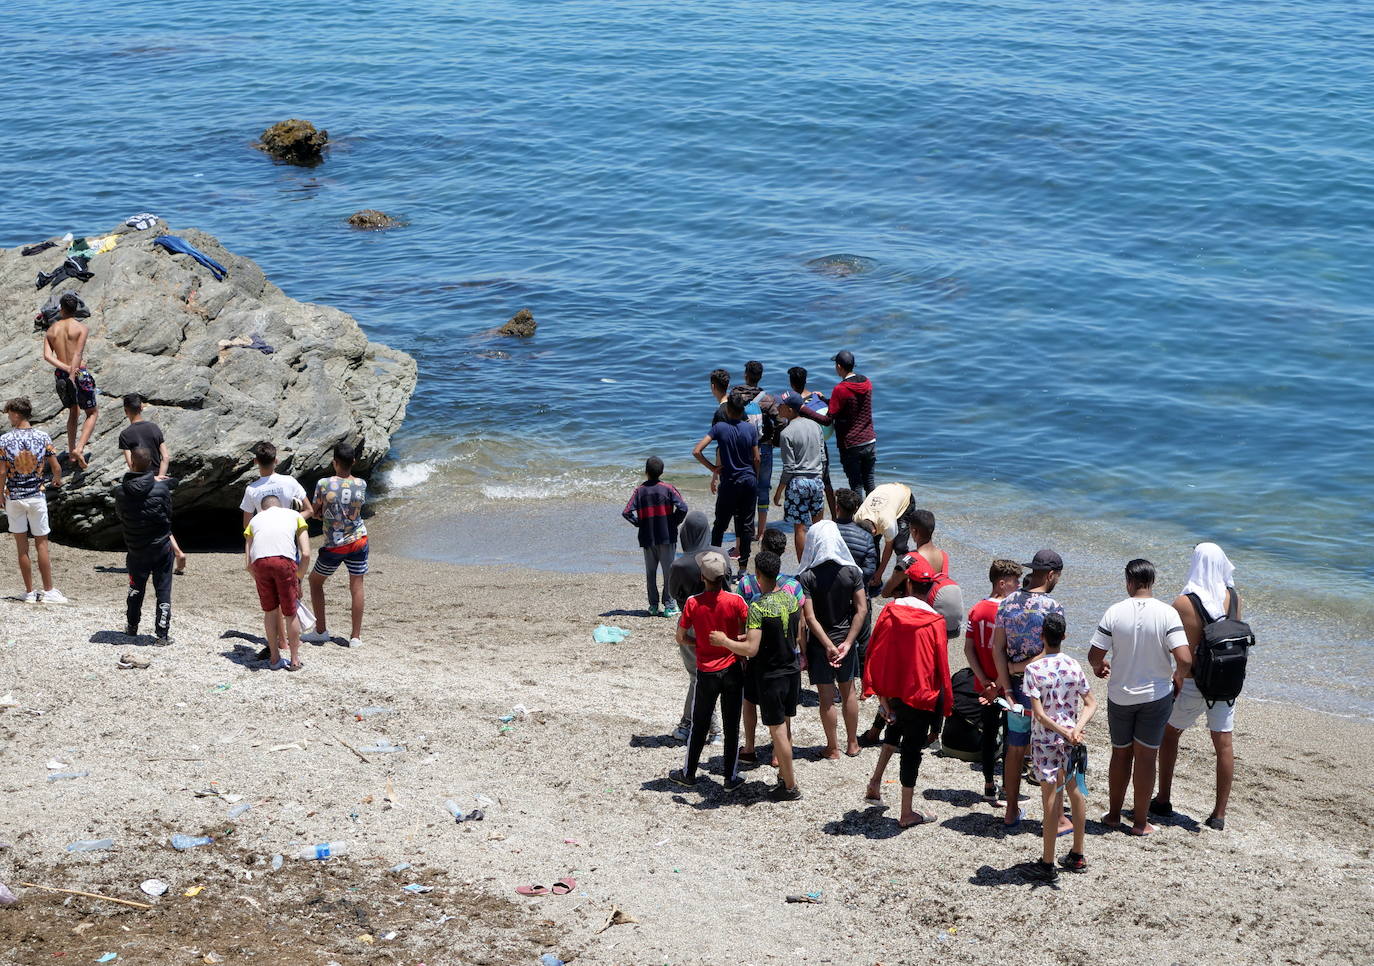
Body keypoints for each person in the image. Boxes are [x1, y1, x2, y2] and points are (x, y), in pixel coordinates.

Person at [1088, 558, 1191, 837]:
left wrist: (1100, 667)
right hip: (1156, 696)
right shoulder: (1168, 613)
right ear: (1152, 582)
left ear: (1129, 582)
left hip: (1120, 694)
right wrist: (1178, 678)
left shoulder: (1115, 611)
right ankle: (1140, 822)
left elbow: (1094, 656)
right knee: (1146, 757)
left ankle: (1112, 815)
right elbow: (1184, 658)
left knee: (1120, 754)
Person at [860, 555, 953, 827]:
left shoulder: (891, 610)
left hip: (895, 689)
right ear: (931, 590)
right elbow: (942, 669)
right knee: (912, 750)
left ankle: (875, 783)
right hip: (921, 694)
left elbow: (875, 652)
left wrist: (882, 697)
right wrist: (944, 708)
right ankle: (906, 812)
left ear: (909, 585)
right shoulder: (936, 622)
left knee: (893, 732)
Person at [1154, 543, 1241, 831]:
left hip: (1193, 682)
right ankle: (1219, 814)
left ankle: (1164, 799)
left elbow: (1179, 649)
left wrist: (1176, 679)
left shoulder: (1183, 603)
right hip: (1226, 683)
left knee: (1170, 734)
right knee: (1224, 744)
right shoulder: (1234, 598)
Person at [712, 550, 804, 802]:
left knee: (777, 731)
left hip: (771, 675)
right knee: (785, 726)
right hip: (791, 670)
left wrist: (726, 641)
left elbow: (751, 650)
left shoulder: (757, 607)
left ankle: (790, 786)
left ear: (758, 575)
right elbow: (793, 633)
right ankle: (784, 777)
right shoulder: (791, 600)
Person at [991, 549, 1065, 828]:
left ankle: (1010, 809)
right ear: (1050, 575)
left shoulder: (1007, 602)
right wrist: (1017, 670)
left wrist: (1007, 685)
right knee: (1051, 748)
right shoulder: (1053, 608)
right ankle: (1055, 816)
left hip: (1017, 692)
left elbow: (996, 648)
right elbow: (1050, 653)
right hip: (1044, 691)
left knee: (1015, 748)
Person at [1024, 612, 1096, 879]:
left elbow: (1040, 715)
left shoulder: (1033, 669)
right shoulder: (1073, 665)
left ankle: (1047, 862)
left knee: (1050, 798)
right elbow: (1091, 703)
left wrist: (1064, 731)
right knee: (1076, 792)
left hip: (1045, 740)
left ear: (1042, 635)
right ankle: (1077, 854)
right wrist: (1074, 729)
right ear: (1064, 636)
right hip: (1071, 739)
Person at [670, 550, 747, 790]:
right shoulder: (736, 602)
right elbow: (746, 633)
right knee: (732, 724)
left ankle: (689, 773)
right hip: (733, 668)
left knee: (700, 724)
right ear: (724, 576)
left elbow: (680, 637)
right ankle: (730, 778)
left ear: (702, 577)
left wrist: (701, 642)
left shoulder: (693, 603)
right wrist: (729, 641)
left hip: (706, 672)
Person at [795, 520, 868, 759]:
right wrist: (847, 643)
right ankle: (853, 743)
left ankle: (833, 747)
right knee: (849, 693)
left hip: (819, 645)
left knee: (826, 698)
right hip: (845, 641)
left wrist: (827, 645)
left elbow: (810, 617)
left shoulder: (808, 576)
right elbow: (862, 610)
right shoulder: (852, 571)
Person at [736, 527, 805, 763]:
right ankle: (778, 752)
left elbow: (740, 618)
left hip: (757, 655)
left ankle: (749, 746)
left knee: (749, 701)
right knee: (784, 709)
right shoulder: (793, 586)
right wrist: (802, 651)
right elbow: (800, 623)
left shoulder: (746, 584)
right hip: (786, 654)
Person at [240, 441, 311, 659]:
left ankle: (281, 642)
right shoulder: (288, 482)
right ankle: (289, 645)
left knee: (273, 599)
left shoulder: (252, 489)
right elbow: (308, 509)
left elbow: (247, 525)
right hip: (288, 539)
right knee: (290, 594)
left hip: (263, 545)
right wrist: (292, 520)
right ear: (276, 460)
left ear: (255, 462)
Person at [963, 559, 1025, 803]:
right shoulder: (1010, 612)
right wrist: (998, 685)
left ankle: (989, 785)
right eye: (1015, 582)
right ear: (1002, 583)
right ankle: (1010, 788)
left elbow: (969, 650)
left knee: (989, 735)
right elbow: (1009, 652)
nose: (1019, 586)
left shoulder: (976, 609)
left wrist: (984, 681)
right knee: (1011, 737)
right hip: (1006, 685)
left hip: (984, 685)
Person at [666, 511, 729, 743]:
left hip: (692, 622)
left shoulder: (680, 564)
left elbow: (673, 594)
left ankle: (695, 727)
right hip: (721, 621)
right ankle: (707, 729)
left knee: (698, 676)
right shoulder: (721, 553)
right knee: (708, 675)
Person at [302, 443, 371, 648]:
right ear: (354, 462)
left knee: (315, 582)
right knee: (357, 586)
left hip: (334, 545)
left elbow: (315, 511)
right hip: (359, 540)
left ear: (335, 462)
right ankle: (355, 637)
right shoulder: (362, 484)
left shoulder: (324, 483)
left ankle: (321, 631)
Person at [0, 397, 66, 603]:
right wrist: (56, 480)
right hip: (36, 496)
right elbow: (56, 467)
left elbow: (2, 471)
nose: (8, 417)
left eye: (9, 413)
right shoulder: (43, 437)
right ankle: (48, 591)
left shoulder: (4, 440)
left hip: (14, 497)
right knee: (42, 545)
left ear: (17, 414)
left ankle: (29, 592)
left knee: (22, 547)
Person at [112, 446, 176, 644]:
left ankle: (132, 627)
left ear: (132, 463)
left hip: (136, 548)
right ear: (150, 464)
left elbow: (120, 516)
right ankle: (162, 634)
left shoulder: (121, 492)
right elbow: (168, 515)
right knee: (163, 590)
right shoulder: (161, 489)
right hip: (161, 547)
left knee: (135, 588)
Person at [117, 394, 187, 573]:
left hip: (141, 481)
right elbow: (166, 456)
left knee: (145, 522)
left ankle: (176, 552)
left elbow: (131, 464)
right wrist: (160, 478)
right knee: (161, 520)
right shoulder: (154, 428)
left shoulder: (125, 434)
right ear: (141, 408)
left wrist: (148, 479)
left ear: (126, 411)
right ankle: (175, 554)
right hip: (159, 482)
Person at [692, 390, 760, 571]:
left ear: (728, 410)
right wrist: (756, 477)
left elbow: (697, 451)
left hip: (729, 482)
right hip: (748, 481)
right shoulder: (750, 429)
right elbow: (757, 458)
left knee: (720, 524)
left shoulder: (719, 428)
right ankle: (743, 569)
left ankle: (714, 564)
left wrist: (713, 468)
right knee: (746, 526)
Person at [244, 494, 311, 671]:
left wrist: (258, 577)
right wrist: (299, 577)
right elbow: (305, 553)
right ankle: (295, 660)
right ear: (281, 506)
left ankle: (274, 659)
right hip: (284, 561)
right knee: (290, 613)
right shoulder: (294, 515)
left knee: (270, 611)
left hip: (260, 563)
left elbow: (248, 563)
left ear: (263, 508)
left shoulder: (255, 520)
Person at [799, 350, 876, 499]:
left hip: (851, 444)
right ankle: (873, 517)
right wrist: (826, 400)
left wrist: (804, 409)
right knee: (869, 483)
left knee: (856, 486)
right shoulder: (867, 382)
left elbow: (828, 420)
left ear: (839, 367)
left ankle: (856, 521)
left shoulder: (840, 389)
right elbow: (849, 407)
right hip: (870, 440)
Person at [622, 456, 689, 617]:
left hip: (647, 537)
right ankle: (669, 605)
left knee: (650, 572)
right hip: (667, 536)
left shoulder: (640, 491)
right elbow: (683, 508)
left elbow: (626, 512)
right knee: (668, 573)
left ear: (646, 472)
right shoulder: (668, 488)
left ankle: (653, 606)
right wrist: (673, 522)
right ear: (662, 472)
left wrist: (639, 523)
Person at [41, 292, 98, 469]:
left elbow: (47, 356)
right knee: (92, 412)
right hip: (79, 373)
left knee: (73, 411)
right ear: (76, 309)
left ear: (61, 308)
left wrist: (65, 369)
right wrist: (73, 372)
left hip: (61, 375)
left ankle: (71, 450)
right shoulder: (81, 328)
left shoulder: (52, 329)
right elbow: (78, 353)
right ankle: (79, 448)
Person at [772, 392, 825, 560]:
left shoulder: (786, 432)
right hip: (817, 480)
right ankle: (819, 562)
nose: (777, 407)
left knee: (800, 529)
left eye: (780, 405)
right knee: (817, 527)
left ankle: (803, 568)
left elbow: (789, 467)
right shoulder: (816, 426)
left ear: (789, 409)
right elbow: (823, 458)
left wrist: (779, 491)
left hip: (798, 483)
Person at [737, 361, 780, 547]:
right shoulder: (767, 399)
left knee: (743, 490)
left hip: (743, 449)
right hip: (764, 449)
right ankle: (761, 532)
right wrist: (773, 440)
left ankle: (745, 530)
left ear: (746, 375)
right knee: (763, 489)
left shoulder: (736, 395)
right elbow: (779, 422)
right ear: (760, 376)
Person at [789, 365, 836, 516]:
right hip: (821, 445)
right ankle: (834, 517)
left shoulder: (794, 403)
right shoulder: (816, 396)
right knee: (826, 482)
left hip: (803, 449)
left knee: (802, 482)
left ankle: (806, 516)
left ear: (791, 383)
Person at [852, 482, 913, 588]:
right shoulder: (857, 518)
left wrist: (880, 573)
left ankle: (901, 583)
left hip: (904, 497)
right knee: (873, 544)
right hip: (884, 490)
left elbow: (888, 549)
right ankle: (873, 579)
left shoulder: (887, 523)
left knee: (899, 546)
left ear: (874, 532)